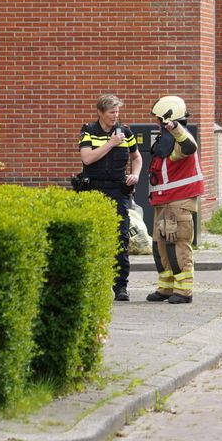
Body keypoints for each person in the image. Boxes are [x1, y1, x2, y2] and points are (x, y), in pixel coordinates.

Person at [78, 94, 142, 302]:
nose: (115, 116)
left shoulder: (125, 131)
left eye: (117, 112)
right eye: (111, 112)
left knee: (120, 237)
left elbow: (137, 157)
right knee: (92, 236)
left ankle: (121, 286)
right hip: (93, 190)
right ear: (100, 112)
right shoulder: (89, 131)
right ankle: (93, 282)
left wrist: (136, 174)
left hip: (118, 191)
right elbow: (87, 158)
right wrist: (111, 143)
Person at [145, 95, 203, 304]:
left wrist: (175, 128)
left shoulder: (181, 138)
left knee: (177, 245)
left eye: (158, 120)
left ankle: (184, 291)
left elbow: (190, 147)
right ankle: (166, 288)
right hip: (163, 201)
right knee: (159, 245)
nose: (156, 123)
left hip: (178, 201)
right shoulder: (166, 141)